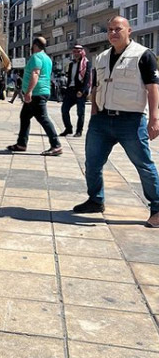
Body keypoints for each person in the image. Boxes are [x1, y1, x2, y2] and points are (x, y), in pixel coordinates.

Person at [73, 16, 159, 228]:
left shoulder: (143, 55)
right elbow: (97, 87)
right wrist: (94, 113)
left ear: (129, 30)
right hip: (101, 120)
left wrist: (155, 118)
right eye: (110, 29)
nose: (113, 33)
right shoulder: (100, 57)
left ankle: (157, 207)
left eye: (118, 29)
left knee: (144, 165)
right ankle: (95, 200)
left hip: (131, 120)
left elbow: (153, 88)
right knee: (92, 163)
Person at [7, 37, 62, 156]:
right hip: (42, 91)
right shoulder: (47, 58)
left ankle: (56, 145)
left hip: (36, 93)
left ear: (35, 45)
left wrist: (28, 92)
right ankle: (21, 143)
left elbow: (35, 73)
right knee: (25, 116)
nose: (31, 48)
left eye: (32, 46)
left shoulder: (36, 57)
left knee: (43, 118)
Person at [60, 45, 92, 138]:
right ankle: (68, 128)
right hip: (70, 90)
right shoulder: (71, 64)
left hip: (80, 91)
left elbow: (87, 78)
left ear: (82, 52)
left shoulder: (86, 63)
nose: (76, 54)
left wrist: (82, 91)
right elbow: (70, 78)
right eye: (74, 52)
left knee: (80, 112)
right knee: (64, 109)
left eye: (78, 52)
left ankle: (79, 131)